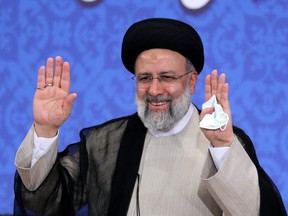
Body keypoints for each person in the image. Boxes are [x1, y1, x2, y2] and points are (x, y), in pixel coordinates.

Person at [14, 18, 286, 216]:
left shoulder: (224, 141)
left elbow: (256, 211)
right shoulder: (106, 141)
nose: (155, 90)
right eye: (145, 78)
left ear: (191, 81)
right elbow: (43, 204)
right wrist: (45, 129)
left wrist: (223, 149)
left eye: (167, 77)